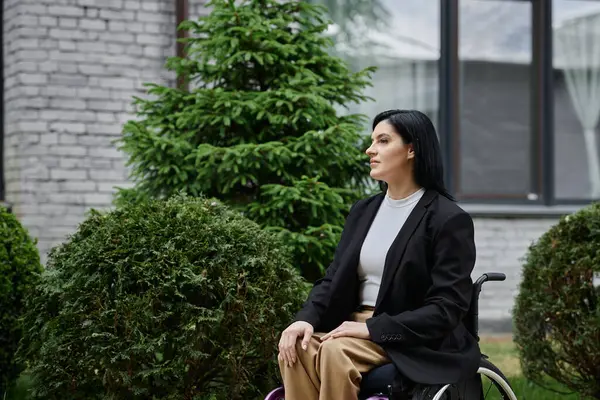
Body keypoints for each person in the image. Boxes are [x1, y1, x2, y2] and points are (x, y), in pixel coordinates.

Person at [277, 109, 480, 400]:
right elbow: (333, 279)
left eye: (383, 141)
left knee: (335, 352)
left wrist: (373, 329)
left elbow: (445, 309)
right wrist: (305, 319)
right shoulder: (364, 210)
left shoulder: (447, 219)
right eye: (372, 141)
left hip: (410, 337)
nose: (370, 150)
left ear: (412, 149)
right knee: (296, 347)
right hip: (351, 325)